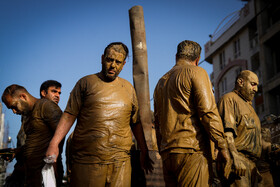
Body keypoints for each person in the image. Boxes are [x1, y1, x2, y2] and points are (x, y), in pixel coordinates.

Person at [46, 42, 153, 186]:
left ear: (124, 64)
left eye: (118, 62)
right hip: (88, 161)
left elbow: (135, 122)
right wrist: (54, 143)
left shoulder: (128, 89)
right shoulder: (85, 83)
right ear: (102, 58)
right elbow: (69, 115)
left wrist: (144, 151)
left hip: (120, 162)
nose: (113, 65)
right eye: (109, 60)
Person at [153, 40, 231, 187]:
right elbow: (208, 112)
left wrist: (163, 151)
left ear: (176, 56)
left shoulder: (160, 83)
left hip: (167, 154)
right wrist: (222, 145)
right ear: (198, 59)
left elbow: (157, 125)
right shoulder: (197, 72)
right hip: (192, 151)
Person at [1, 84, 63, 186]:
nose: (14, 111)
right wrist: (17, 151)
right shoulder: (27, 116)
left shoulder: (46, 106)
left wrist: (53, 163)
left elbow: (60, 133)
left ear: (23, 97)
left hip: (46, 174)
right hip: (31, 175)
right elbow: (36, 143)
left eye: (14, 106)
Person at [217, 70, 262, 186]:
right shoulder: (229, 99)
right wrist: (234, 157)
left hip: (251, 166)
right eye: (253, 84)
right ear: (241, 82)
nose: (256, 89)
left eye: (257, 85)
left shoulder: (250, 107)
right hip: (237, 163)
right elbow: (227, 133)